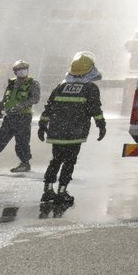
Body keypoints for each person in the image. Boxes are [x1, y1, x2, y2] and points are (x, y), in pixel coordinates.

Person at [37, 52, 106, 206]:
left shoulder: (61, 86)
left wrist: (42, 125)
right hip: (75, 132)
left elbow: (49, 107)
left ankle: (47, 190)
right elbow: (95, 109)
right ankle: (62, 192)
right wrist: (101, 125)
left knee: (56, 160)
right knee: (69, 162)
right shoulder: (90, 88)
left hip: (57, 132)